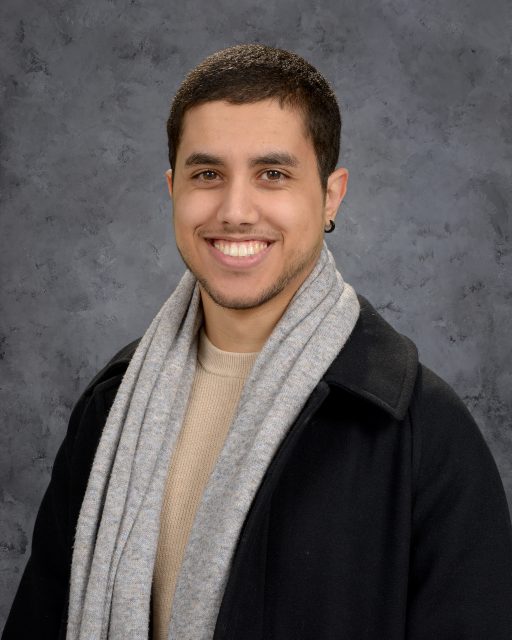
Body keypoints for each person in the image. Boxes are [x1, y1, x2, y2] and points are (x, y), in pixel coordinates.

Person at [3, 44, 512, 640]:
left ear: (331, 195)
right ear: (172, 189)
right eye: (207, 174)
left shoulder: (422, 430)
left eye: (273, 174)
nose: (236, 211)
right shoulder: (110, 411)